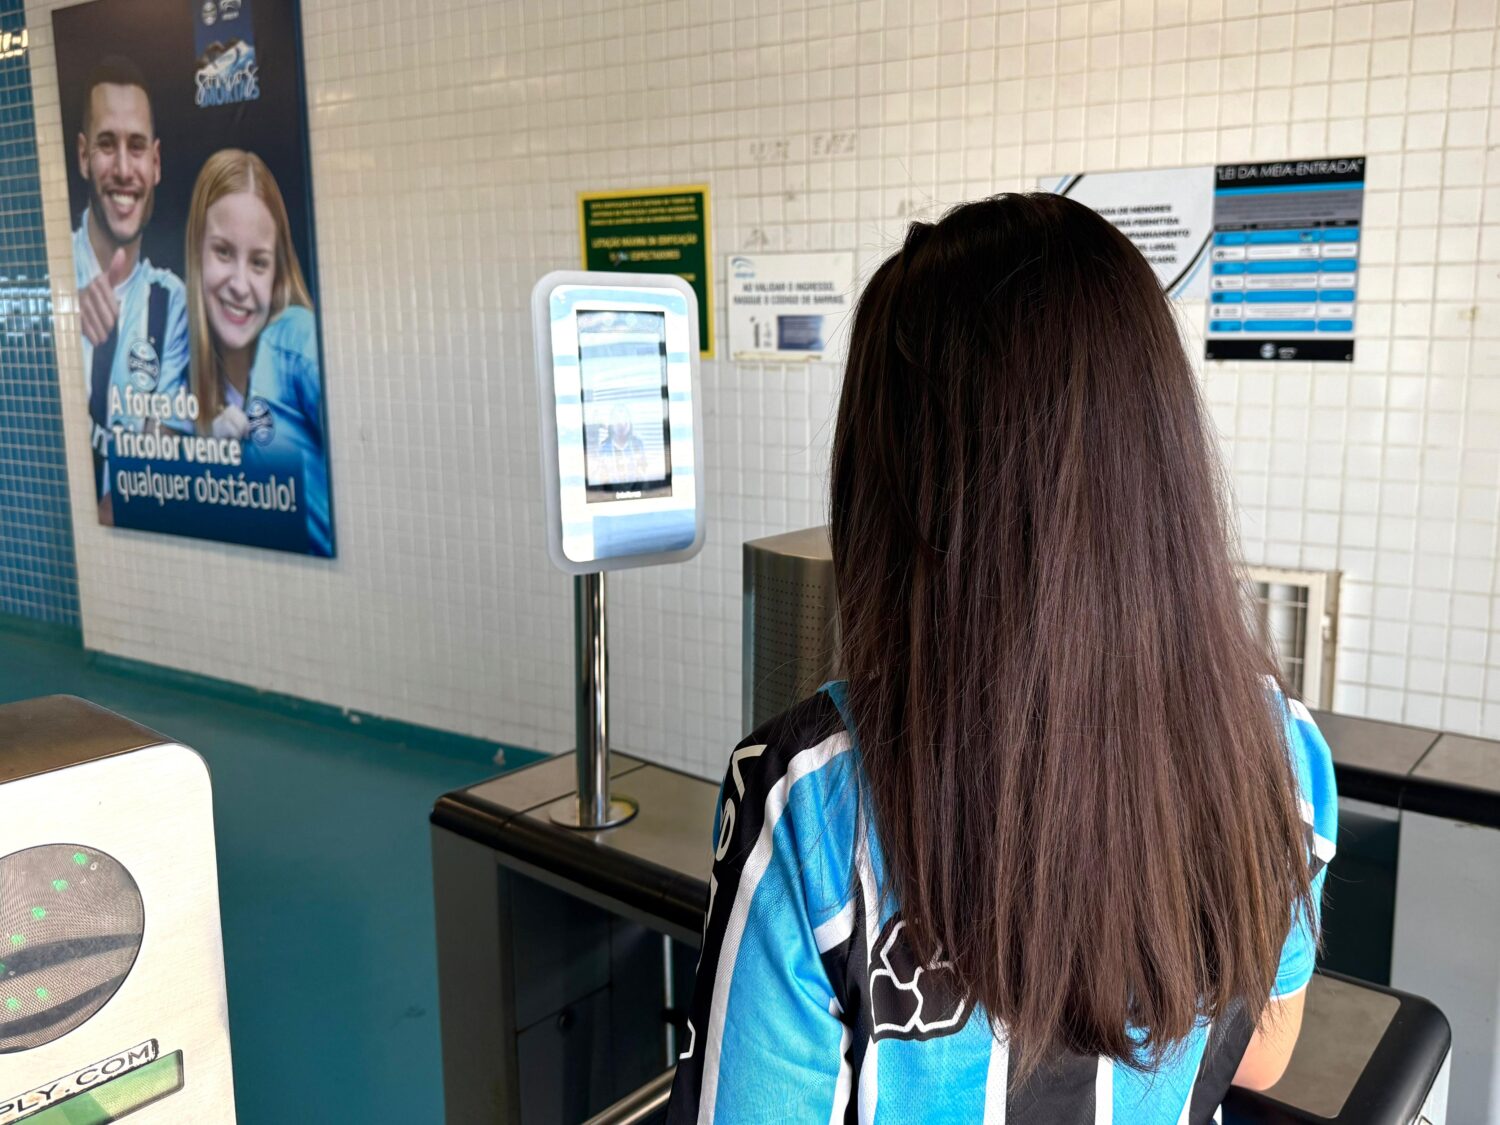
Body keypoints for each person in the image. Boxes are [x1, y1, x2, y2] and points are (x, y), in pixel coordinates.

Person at [668, 195, 1337, 1123]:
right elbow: (1262, 1049)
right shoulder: (1278, 747)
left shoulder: (811, 806)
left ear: (899, 489)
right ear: (1162, 467)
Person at [185, 148, 331, 557]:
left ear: (278, 271)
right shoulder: (181, 374)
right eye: (223, 252)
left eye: (259, 263)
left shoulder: (296, 338)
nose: (240, 284)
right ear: (196, 253)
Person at [72, 56, 190, 524]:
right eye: (107, 144)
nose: (123, 169)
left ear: (155, 163)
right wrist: (65, 321)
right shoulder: (52, 273)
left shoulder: (171, 302)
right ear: (83, 156)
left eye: (136, 146)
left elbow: (151, 468)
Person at [592, 404, 649, 490]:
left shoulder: (638, 444)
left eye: (625, 419)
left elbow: (644, 472)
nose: (622, 423)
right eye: (617, 419)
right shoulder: (603, 449)